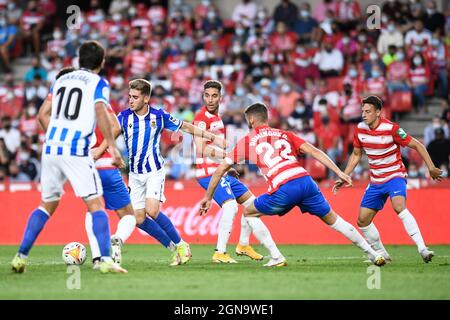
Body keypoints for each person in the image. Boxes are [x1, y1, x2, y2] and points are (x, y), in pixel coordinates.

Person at [199, 102, 386, 267]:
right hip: (306, 182)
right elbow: (315, 151)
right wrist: (340, 172)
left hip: (284, 187)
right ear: (266, 118)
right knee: (334, 219)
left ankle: (276, 256)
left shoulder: (247, 140)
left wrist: (208, 197)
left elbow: (219, 170)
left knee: (249, 212)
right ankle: (373, 253)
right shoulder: (285, 134)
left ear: (251, 121)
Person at [37, 67, 179, 268]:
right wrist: (113, 150)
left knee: (93, 209)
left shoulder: (65, 113)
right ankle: (120, 240)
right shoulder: (99, 101)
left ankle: (98, 257)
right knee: (131, 216)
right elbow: (113, 127)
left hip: (84, 166)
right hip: (108, 167)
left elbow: (43, 117)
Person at [11, 41, 127, 274]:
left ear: (78, 59)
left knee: (46, 205)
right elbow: (100, 112)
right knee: (95, 205)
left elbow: (43, 113)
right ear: (102, 62)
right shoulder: (98, 83)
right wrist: (112, 147)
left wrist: (55, 135)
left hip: (51, 148)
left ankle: (20, 257)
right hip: (76, 149)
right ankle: (105, 260)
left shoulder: (62, 79)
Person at [116, 79, 227, 266]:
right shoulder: (123, 116)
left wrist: (211, 136)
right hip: (134, 174)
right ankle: (173, 247)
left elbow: (185, 126)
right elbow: (108, 134)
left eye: (135, 97)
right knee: (139, 218)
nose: (131, 101)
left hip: (154, 171)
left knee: (152, 210)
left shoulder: (158, 116)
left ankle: (181, 244)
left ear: (146, 98)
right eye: (130, 97)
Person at [334, 95, 442, 263]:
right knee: (362, 220)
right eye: (362, 111)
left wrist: (431, 167)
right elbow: (356, 155)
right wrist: (344, 174)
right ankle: (382, 254)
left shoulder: (392, 129)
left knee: (399, 207)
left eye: (368, 111)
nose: (364, 114)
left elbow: (417, 145)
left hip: (394, 176)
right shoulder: (360, 129)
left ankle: (422, 248)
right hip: (376, 181)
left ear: (378, 112)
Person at [194, 80, 283, 264]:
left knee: (253, 204)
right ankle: (220, 252)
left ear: (221, 97)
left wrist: (227, 165)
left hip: (220, 171)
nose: (210, 99)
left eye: (214, 95)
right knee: (231, 207)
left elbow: (212, 148)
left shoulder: (218, 119)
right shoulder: (201, 118)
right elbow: (202, 149)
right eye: (207, 95)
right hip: (208, 173)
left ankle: (243, 244)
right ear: (203, 96)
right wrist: (227, 157)